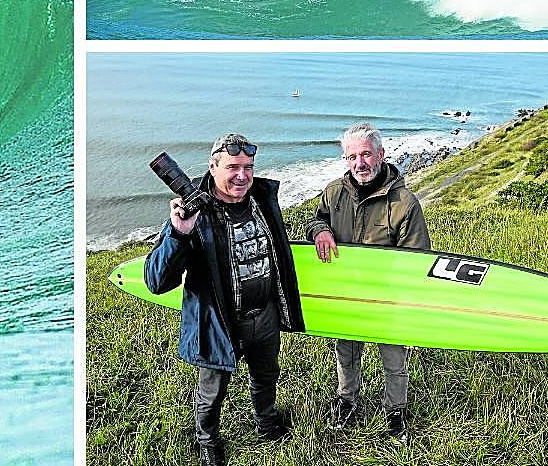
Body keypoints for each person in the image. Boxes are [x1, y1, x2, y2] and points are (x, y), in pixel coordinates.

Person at [145, 134, 305, 466]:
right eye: (233, 167)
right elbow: (156, 281)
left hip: (265, 315)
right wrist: (179, 232)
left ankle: (266, 422)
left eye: (248, 167)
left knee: (266, 375)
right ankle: (208, 442)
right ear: (213, 167)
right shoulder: (193, 212)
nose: (242, 176)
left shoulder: (261, 200)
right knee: (212, 391)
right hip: (219, 322)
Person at [306, 123, 430, 444]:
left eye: (366, 154)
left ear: (381, 154)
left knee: (394, 359)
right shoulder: (334, 192)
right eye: (352, 157)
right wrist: (320, 230)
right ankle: (347, 401)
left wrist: (410, 307)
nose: (359, 163)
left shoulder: (404, 202)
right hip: (347, 293)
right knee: (345, 353)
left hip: (388, 298)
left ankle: (395, 410)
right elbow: (317, 218)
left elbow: (417, 258)